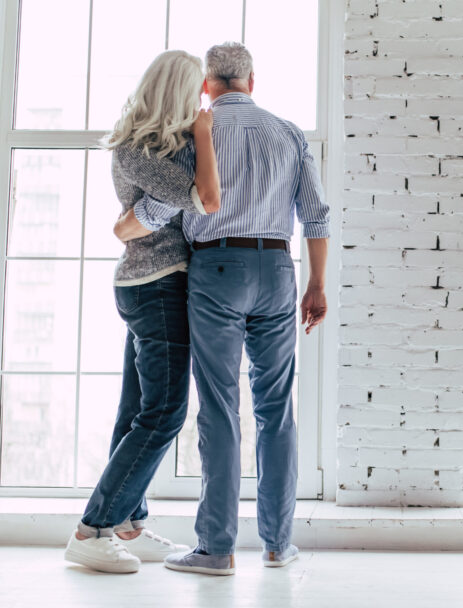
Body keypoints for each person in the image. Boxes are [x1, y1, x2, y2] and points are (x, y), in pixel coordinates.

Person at [117, 41, 329, 576]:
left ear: (207, 85)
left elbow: (169, 203)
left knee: (218, 406)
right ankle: (278, 545)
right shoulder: (288, 134)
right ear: (252, 82)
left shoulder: (197, 133)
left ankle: (216, 549)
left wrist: (127, 225)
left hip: (214, 269)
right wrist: (317, 285)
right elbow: (316, 216)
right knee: (276, 408)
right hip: (278, 269)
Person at [63, 49, 221, 574]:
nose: (203, 101)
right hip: (154, 286)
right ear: (179, 91)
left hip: (156, 283)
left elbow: (154, 212)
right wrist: (203, 138)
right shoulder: (135, 148)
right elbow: (202, 197)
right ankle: (91, 530)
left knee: (135, 411)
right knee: (165, 411)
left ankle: (127, 523)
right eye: (197, 90)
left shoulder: (166, 148)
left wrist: (140, 217)